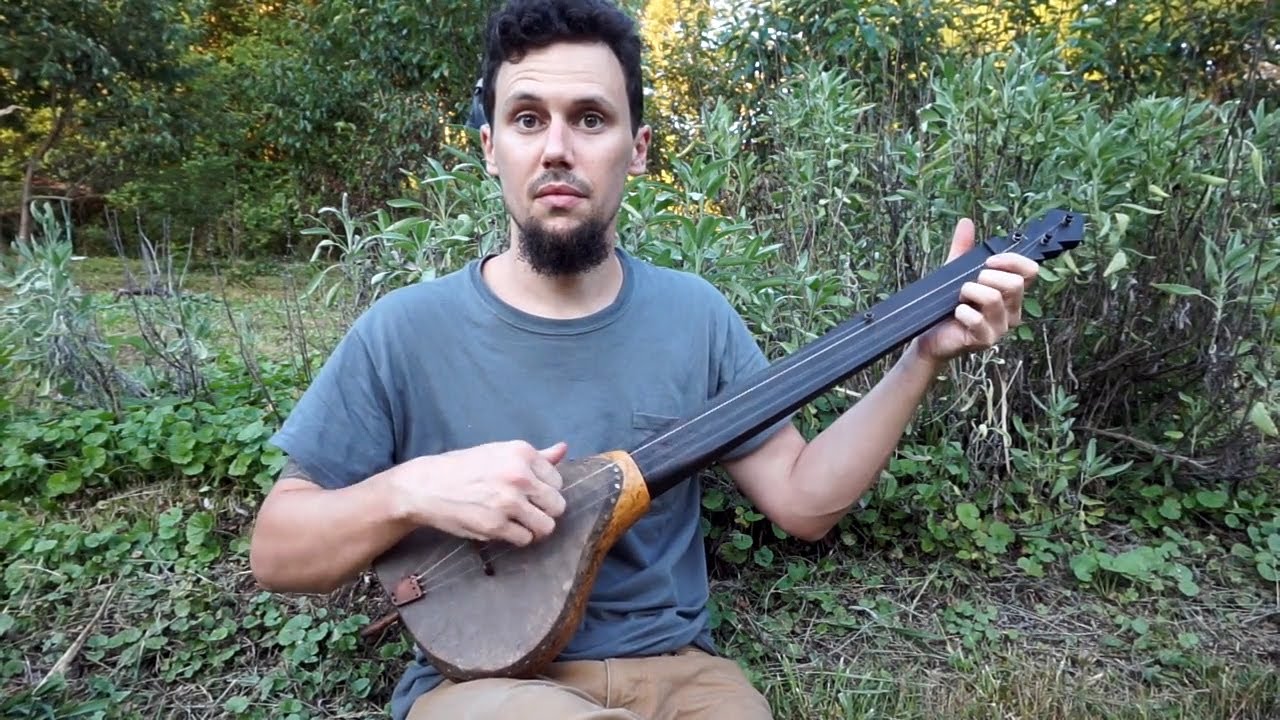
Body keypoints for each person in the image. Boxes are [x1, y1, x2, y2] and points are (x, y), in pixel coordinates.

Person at [246, 0, 1040, 718]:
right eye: (527, 120)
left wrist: (920, 359)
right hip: (482, 688)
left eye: (590, 119)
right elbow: (278, 550)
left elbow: (803, 502)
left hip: (683, 677)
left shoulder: (694, 317)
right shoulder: (404, 331)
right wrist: (409, 490)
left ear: (639, 148)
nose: (557, 148)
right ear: (491, 148)